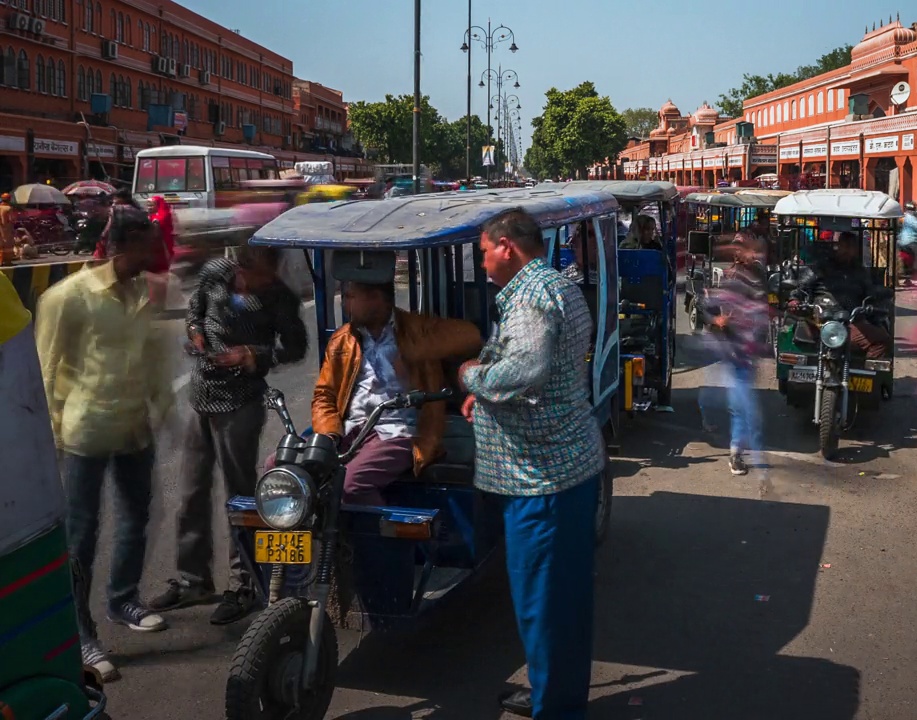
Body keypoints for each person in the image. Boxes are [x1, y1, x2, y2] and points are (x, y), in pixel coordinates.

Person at [460, 208, 605, 719]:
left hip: (543, 480)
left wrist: (472, 378)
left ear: (507, 247)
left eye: (482, 252)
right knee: (559, 604)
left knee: (544, 608)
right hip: (558, 472)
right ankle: (555, 695)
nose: (480, 263)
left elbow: (525, 369)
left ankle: (556, 709)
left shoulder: (532, 296)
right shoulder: (554, 285)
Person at [35, 207, 172, 680]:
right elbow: (47, 372)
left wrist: (165, 408)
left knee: (136, 519)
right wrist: (49, 437)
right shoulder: (68, 298)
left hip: (134, 429)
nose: (157, 252)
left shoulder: (140, 293)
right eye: (149, 244)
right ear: (124, 246)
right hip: (84, 434)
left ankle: (123, 601)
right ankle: (80, 634)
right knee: (81, 538)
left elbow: (149, 356)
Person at [148, 247, 308, 624]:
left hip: (241, 403)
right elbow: (195, 312)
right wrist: (196, 333)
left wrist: (252, 355)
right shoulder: (215, 273)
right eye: (251, 270)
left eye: (266, 271)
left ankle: (245, 585)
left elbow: (295, 347)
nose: (258, 279)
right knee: (190, 493)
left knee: (239, 498)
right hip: (203, 396)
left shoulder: (279, 297)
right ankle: (193, 580)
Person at [311, 277, 483, 504]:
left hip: (397, 432)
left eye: (351, 297)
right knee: (281, 466)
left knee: (350, 485)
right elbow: (324, 395)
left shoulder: (416, 329)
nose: (344, 304)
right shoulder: (342, 340)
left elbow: (471, 336)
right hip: (350, 431)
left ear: (376, 299)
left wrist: (419, 350)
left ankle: (367, 538)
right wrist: (329, 433)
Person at [708, 232, 769, 475]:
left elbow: (760, 310)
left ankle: (736, 450)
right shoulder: (730, 277)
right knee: (741, 406)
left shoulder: (757, 276)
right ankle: (735, 453)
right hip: (733, 349)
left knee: (741, 405)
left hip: (746, 350)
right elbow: (711, 309)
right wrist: (718, 320)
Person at [793, 231, 893, 359]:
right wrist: (794, 300)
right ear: (838, 246)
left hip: (851, 323)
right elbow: (801, 288)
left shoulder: (860, 272)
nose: (847, 250)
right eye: (845, 245)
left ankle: (862, 370)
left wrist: (879, 296)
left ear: (856, 250)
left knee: (882, 339)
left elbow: (870, 293)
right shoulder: (822, 267)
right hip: (819, 321)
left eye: (851, 246)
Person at [148, 194, 176, 275]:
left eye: (151, 205)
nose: (149, 207)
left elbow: (158, 225)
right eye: (148, 205)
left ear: (158, 205)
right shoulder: (151, 215)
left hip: (164, 243)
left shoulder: (163, 214)